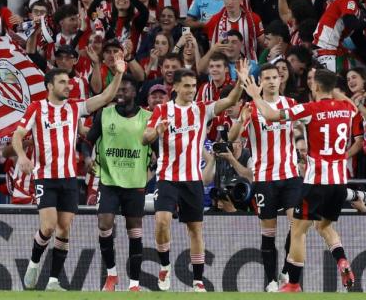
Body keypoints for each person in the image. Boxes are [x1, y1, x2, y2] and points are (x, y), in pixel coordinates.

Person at [14, 54, 127, 291]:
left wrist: (119, 73)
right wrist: (23, 156)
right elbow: (17, 135)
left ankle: (53, 281)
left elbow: (106, 97)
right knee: (48, 226)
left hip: (68, 178)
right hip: (45, 176)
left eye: (69, 82)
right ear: (50, 86)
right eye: (63, 82)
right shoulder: (37, 108)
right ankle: (34, 262)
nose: (68, 86)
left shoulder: (75, 108)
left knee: (64, 228)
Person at [243, 69, 357, 293]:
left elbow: (271, 116)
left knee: (298, 230)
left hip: (316, 181)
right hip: (340, 181)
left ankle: (293, 283)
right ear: (333, 88)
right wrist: (335, 89)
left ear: (315, 87)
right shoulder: (346, 109)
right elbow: (352, 105)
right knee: (324, 226)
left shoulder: (309, 109)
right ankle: (342, 259)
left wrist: (256, 96)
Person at [141, 64, 246, 292]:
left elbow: (229, 102)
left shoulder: (201, 109)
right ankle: (165, 265)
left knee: (195, 230)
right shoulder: (161, 111)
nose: (191, 90)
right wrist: (157, 131)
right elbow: (144, 138)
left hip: (193, 180)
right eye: (186, 86)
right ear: (176, 87)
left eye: (193, 86)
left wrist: (241, 82)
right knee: (161, 221)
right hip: (167, 177)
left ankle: (198, 281)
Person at [228, 62, 302, 292]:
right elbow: (232, 137)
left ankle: (287, 272)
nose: (271, 81)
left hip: (290, 175)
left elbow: (300, 131)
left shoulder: (290, 105)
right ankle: (271, 280)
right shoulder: (251, 107)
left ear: (280, 80)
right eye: (266, 78)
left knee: (298, 225)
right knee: (269, 233)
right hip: (264, 178)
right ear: (260, 82)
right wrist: (241, 120)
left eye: (274, 77)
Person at [85, 76, 150, 292]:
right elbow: (87, 142)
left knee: (134, 232)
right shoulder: (104, 114)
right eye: (117, 90)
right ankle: (111, 275)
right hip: (109, 181)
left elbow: (160, 152)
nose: (120, 93)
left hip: (135, 184)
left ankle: (134, 284)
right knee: (104, 224)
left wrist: (153, 169)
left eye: (125, 89)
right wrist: (87, 157)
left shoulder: (148, 118)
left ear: (135, 92)